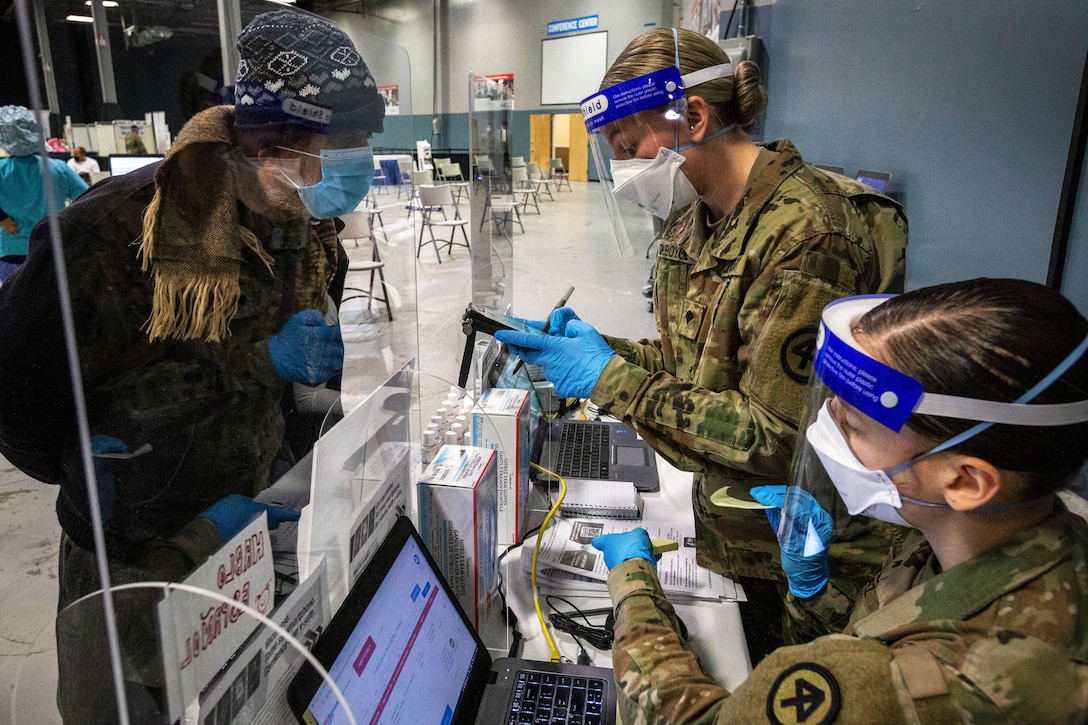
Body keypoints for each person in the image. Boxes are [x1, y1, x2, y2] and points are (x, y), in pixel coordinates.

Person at [0, 9, 384, 721]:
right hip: (132, 552)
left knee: (239, 698)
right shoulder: (110, 236)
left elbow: (310, 392)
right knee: (127, 707)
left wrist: (299, 479)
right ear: (276, 144)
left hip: (251, 531)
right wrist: (107, 480)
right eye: (349, 145)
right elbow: (17, 403)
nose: (362, 166)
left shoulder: (313, 234)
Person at [495, 27, 908, 655]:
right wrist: (600, 349)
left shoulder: (805, 235)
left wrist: (608, 379)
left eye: (630, 146)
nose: (626, 170)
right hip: (727, 524)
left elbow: (776, 437)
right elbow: (698, 364)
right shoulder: (696, 218)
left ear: (693, 114)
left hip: (798, 554)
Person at [591, 278, 1088, 723]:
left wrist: (633, 586)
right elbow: (876, 629)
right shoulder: (983, 537)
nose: (825, 427)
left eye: (853, 425)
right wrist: (813, 590)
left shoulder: (925, 688)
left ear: (965, 482)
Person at [0, 105, 88, 281]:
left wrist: (1, 218)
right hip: (49, 250)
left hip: (10, 252)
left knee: (15, 306)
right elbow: (88, 198)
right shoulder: (57, 168)